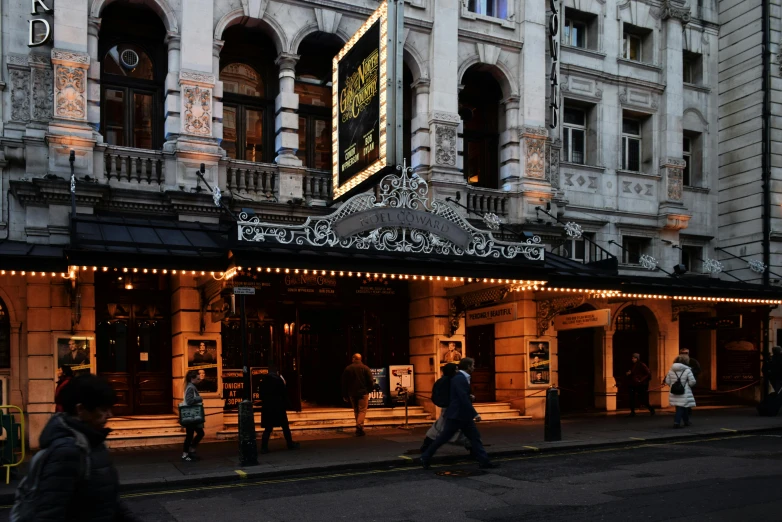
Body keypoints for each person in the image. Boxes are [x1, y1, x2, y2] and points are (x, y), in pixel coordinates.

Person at [20, 373, 137, 521]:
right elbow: (49, 513)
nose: (110, 415)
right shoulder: (67, 452)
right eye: (103, 409)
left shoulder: (93, 441)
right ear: (81, 409)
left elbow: (106, 500)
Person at [421, 358, 498, 470]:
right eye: (473, 365)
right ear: (467, 367)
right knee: (443, 438)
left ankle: (484, 462)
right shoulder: (459, 378)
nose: (474, 367)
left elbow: (462, 395)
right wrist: (474, 414)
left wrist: (470, 398)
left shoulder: (461, 378)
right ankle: (425, 456)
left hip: (462, 415)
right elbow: (462, 397)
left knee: (474, 438)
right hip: (457, 415)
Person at [420, 363, 470, 454]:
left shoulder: (441, 381)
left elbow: (435, 395)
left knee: (438, 428)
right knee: (462, 430)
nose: (457, 371)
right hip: (454, 409)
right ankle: (473, 448)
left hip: (447, 408)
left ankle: (427, 446)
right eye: (456, 369)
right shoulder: (453, 381)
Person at [260, 364, 299, 454]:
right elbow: (284, 394)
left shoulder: (264, 381)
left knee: (268, 428)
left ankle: (264, 447)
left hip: (268, 407)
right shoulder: (279, 381)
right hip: (278, 407)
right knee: (285, 426)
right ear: (276, 372)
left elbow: (261, 394)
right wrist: (289, 405)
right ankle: (290, 444)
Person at [341, 353, 374, 436]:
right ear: (360, 359)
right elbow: (370, 381)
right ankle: (359, 426)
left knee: (356, 410)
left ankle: (359, 428)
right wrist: (369, 390)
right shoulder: (365, 368)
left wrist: (345, 395)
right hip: (363, 393)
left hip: (352, 393)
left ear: (353, 359)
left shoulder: (348, 369)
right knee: (362, 410)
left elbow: (344, 383)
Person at [665, 355, 697, 428]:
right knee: (681, 407)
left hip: (674, 391)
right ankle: (677, 422)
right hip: (684, 391)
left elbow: (667, 381)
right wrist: (687, 385)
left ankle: (686, 421)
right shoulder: (687, 370)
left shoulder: (671, 370)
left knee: (682, 406)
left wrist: (673, 386)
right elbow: (692, 382)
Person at [181, 370, 204, 462]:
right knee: (192, 435)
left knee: (192, 434)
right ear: (192, 379)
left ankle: (189, 452)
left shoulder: (190, 386)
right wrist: (200, 398)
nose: (199, 380)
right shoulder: (191, 387)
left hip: (191, 415)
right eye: (197, 379)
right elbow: (189, 401)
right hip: (191, 415)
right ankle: (187, 453)